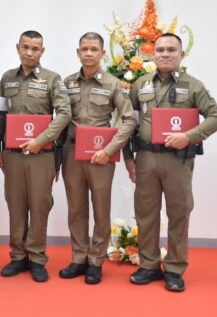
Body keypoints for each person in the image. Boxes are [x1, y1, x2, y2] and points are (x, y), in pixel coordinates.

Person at [124, 33, 217, 292]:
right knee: (145, 213)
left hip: (177, 162)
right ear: (152, 54)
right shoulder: (141, 84)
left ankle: (175, 269)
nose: (165, 54)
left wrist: (189, 136)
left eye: (171, 50)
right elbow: (129, 122)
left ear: (182, 54)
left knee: (179, 213)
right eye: (160, 50)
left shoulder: (193, 86)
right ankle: (148, 265)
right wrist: (128, 157)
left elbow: (216, 117)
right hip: (145, 158)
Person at [59, 32, 136, 284]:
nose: (89, 53)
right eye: (85, 49)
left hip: (101, 156)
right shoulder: (67, 83)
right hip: (72, 153)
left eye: (94, 49)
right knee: (76, 209)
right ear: (78, 52)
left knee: (101, 210)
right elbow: (60, 120)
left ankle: (96, 261)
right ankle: (79, 258)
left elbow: (129, 120)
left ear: (103, 53)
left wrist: (110, 150)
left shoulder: (113, 84)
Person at [0, 30, 71, 282]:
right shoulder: (7, 79)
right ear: (18, 48)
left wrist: (41, 140)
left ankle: (37, 257)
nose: (29, 52)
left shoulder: (52, 79)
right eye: (25, 47)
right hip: (13, 155)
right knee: (16, 205)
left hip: (42, 154)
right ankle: (18, 256)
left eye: (35, 48)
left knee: (39, 205)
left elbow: (64, 114)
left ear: (42, 51)